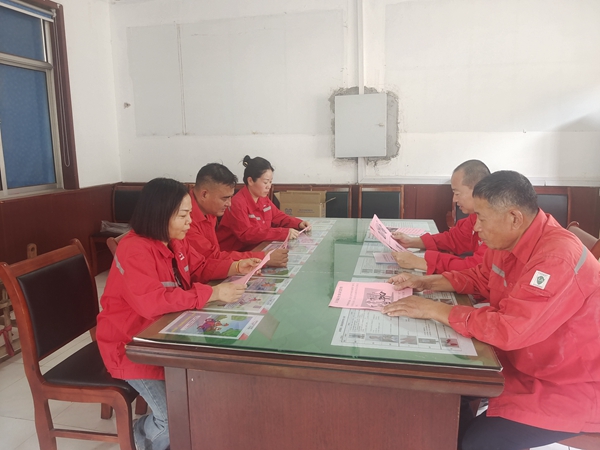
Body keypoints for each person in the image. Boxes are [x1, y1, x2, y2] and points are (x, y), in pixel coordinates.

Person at [382, 171, 600, 450]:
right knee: (437, 390)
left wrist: (433, 310)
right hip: (520, 364)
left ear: (514, 218)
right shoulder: (509, 240)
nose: (476, 228)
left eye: (482, 219)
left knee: (476, 442)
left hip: (567, 385)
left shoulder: (556, 258)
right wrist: (426, 282)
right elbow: (481, 277)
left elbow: (509, 329)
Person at [96, 178, 259, 450]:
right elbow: (151, 303)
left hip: (166, 334)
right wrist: (212, 293)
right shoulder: (134, 250)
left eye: (189, 214)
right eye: (183, 216)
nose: (189, 222)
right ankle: (136, 437)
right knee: (175, 419)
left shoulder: (174, 241)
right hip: (131, 346)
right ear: (160, 215)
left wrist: (235, 267)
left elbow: (200, 267)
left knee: (202, 394)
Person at [392, 159, 490, 274]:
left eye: (457, 193)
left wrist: (420, 263)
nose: (454, 199)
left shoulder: (495, 223)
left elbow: (477, 268)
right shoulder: (475, 216)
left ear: (478, 190)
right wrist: (411, 242)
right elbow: (454, 239)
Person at [187, 162, 289, 267]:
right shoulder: (186, 220)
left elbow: (214, 254)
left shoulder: (209, 209)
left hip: (225, 260)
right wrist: (262, 258)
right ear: (204, 194)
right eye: (225, 198)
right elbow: (212, 257)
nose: (229, 203)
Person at [217, 155, 311, 252]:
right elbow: (246, 234)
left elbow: (278, 217)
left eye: (270, 182)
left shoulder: (263, 198)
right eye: (265, 182)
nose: (269, 186)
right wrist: (282, 233)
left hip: (257, 248)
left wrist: (298, 223)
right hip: (235, 253)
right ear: (250, 181)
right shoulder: (237, 203)